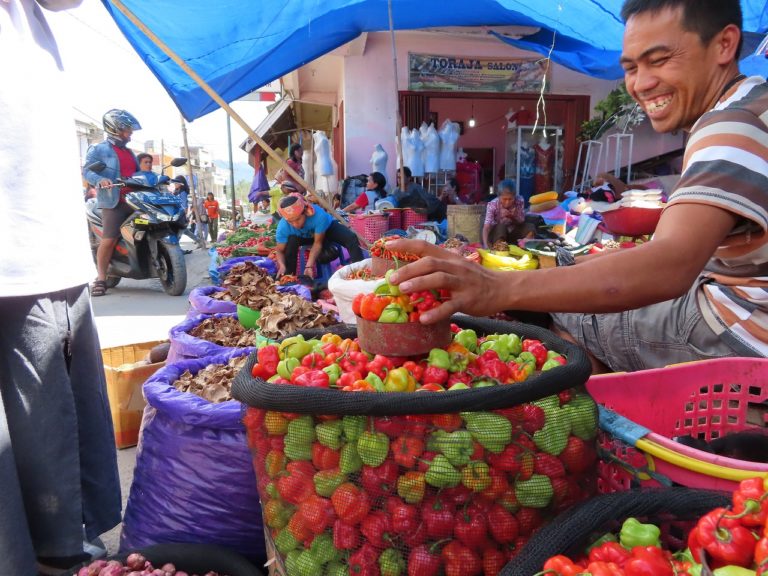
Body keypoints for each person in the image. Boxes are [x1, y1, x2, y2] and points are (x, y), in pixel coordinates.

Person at [388, 0, 767, 374]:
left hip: (740, 332)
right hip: (730, 304)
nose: (641, 83)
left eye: (660, 59)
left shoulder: (730, 126)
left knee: (566, 310)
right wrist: (555, 267)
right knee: (569, 283)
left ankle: (601, 423)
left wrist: (496, 288)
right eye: (632, 67)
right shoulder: (754, 103)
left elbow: (670, 263)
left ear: (724, 44)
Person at [1, 2, 121, 575]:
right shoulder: (101, 151)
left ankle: (59, 550)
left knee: (47, 430)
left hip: (26, 233)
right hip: (24, 238)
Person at [83, 108, 142, 296]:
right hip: (113, 202)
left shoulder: (130, 152)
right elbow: (87, 172)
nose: (130, 133)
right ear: (115, 128)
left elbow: (139, 174)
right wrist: (100, 180)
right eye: (127, 130)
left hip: (135, 200)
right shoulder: (98, 149)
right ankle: (100, 278)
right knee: (109, 239)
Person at [275, 194, 364, 278]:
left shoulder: (318, 216)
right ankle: (289, 279)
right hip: (303, 238)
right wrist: (282, 265)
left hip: (326, 230)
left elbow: (317, 243)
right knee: (290, 243)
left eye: (298, 219)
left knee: (351, 238)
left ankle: (360, 272)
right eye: (290, 221)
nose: (295, 224)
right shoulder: (283, 227)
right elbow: (279, 250)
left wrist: (308, 266)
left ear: (305, 212)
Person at [482, 179, 534, 247]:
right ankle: (500, 247)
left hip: (512, 234)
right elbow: (486, 227)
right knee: (501, 226)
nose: (507, 202)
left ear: (514, 196)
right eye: (504, 199)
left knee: (530, 227)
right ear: (499, 196)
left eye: (510, 199)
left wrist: (511, 216)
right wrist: (485, 246)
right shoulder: (492, 205)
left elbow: (521, 221)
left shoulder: (519, 201)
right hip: (496, 235)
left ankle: (523, 246)